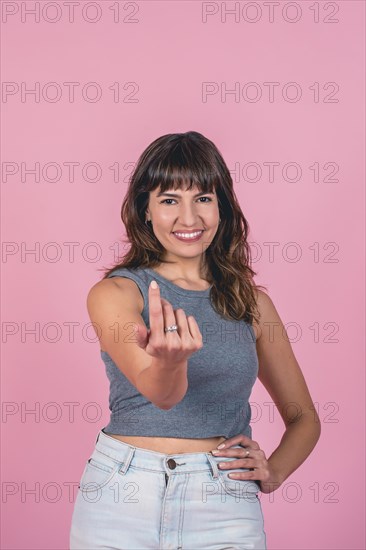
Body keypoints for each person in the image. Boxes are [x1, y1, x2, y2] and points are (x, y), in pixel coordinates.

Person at [69, 131, 321, 549]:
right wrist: (170, 363)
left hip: (223, 499)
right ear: (145, 210)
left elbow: (305, 419)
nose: (189, 218)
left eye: (203, 198)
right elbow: (161, 396)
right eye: (169, 200)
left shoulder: (251, 303)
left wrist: (273, 472)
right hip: (122, 496)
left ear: (222, 206)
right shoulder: (116, 294)